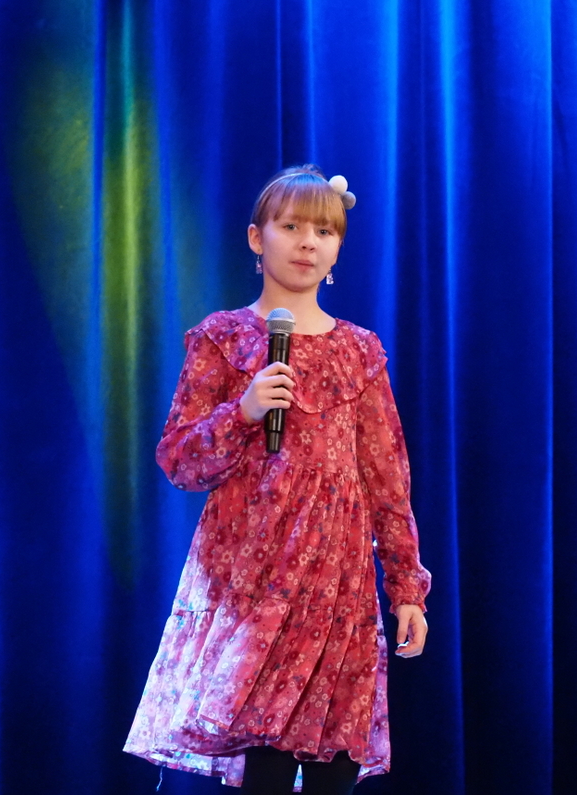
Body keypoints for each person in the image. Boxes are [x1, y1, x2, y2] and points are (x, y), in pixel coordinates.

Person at [124, 164, 431, 795]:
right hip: (252, 582)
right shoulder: (221, 338)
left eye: (324, 231)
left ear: (338, 249)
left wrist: (406, 588)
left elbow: (387, 479)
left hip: (336, 587)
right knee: (260, 763)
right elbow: (179, 460)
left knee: (333, 767)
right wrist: (241, 412)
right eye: (291, 227)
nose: (307, 243)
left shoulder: (359, 351)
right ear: (256, 238)